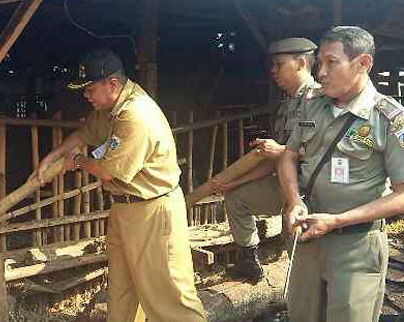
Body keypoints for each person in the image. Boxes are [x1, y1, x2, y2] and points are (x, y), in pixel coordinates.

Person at [34, 49, 206, 322]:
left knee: (172, 298)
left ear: (111, 84)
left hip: (153, 211)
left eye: (89, 88)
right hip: (124, 209)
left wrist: (76, 162)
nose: (85, 95)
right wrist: (52, 157)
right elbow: (85, 133)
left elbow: (108, 171)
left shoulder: (135, 114)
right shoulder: (109, 108)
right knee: (122, 294)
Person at [278, 26, 404, 322]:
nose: (320, 72)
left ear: (363, 64)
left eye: (331, 62)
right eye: (320, 62)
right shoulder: (313, 106)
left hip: (356, 247)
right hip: (307, 239)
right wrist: (294, 199)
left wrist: (337, 221)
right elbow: (288, 155)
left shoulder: (388, 118)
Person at [210, 37, 320, 282]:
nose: (273, 71)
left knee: (299, 251)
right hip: (284, 184)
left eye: (279, 64)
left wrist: (281, 150)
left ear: (301, 63)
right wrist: (234, 184)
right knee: (237, 199)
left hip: (312, 191)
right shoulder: (286, 105)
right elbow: (274, 161)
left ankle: (307, 296)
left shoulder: (320, 101)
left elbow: (322, 153)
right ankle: (249, 262)